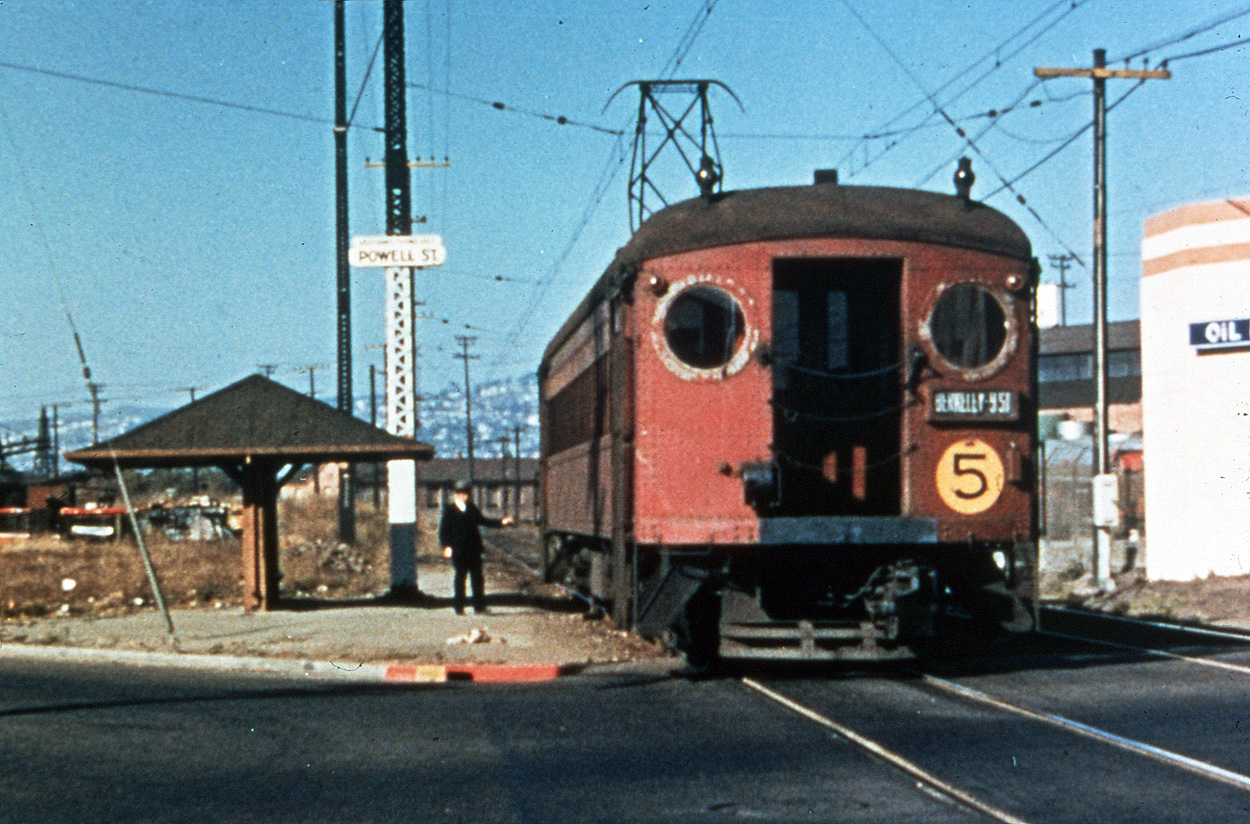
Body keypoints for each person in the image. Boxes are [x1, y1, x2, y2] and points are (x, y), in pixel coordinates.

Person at [438, 480, 514, 614]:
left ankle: (479, 607)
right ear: (455, 495)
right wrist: (446, 546)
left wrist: (502, 522)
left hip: (473, 549)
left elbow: (483, 521)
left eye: (466, 494)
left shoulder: (472, 508)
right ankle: (459, 607)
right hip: (458, 550)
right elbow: (444, 531)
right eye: (461, 494)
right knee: (460, 578)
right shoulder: (449, 510)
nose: (464, 496)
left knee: (477, 579)